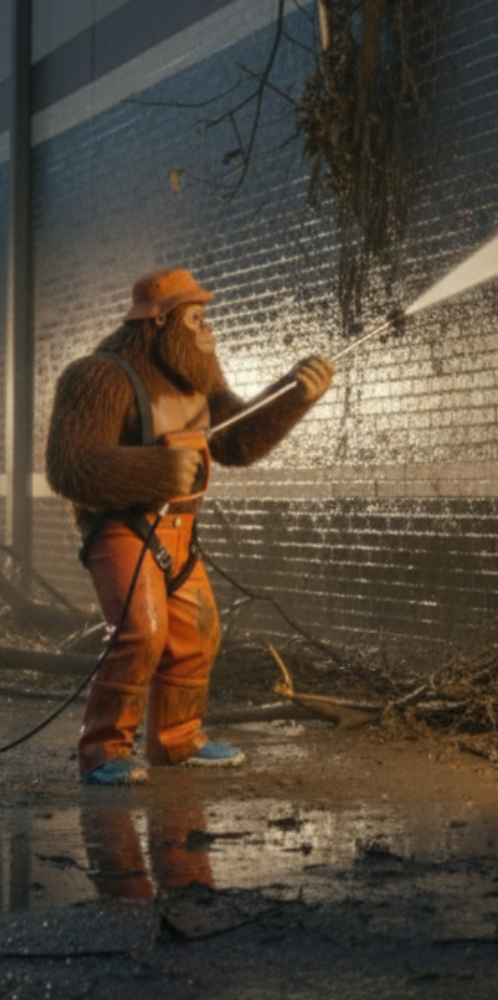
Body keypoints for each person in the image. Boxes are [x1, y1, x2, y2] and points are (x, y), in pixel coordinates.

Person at [46, 268, 334, 786]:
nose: (208, 330)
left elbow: (235, 443)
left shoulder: (200, 380)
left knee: (198, 635)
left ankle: (178, 740)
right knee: (142, 631)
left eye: (206, 318)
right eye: (195, 318)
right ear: (158, 322)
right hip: (121, 528)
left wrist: (293, 394)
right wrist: (156, 471)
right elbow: (69, 468)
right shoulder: (97, 377)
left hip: (180, 532)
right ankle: (104, 749)